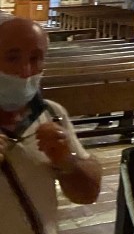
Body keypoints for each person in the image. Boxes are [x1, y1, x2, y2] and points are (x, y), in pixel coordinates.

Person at [0, 12, 101, 233]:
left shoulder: (52, 113)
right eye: (12, 57)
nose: (25, 72)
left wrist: (67, 161)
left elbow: (87, 195)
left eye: (35, 58)